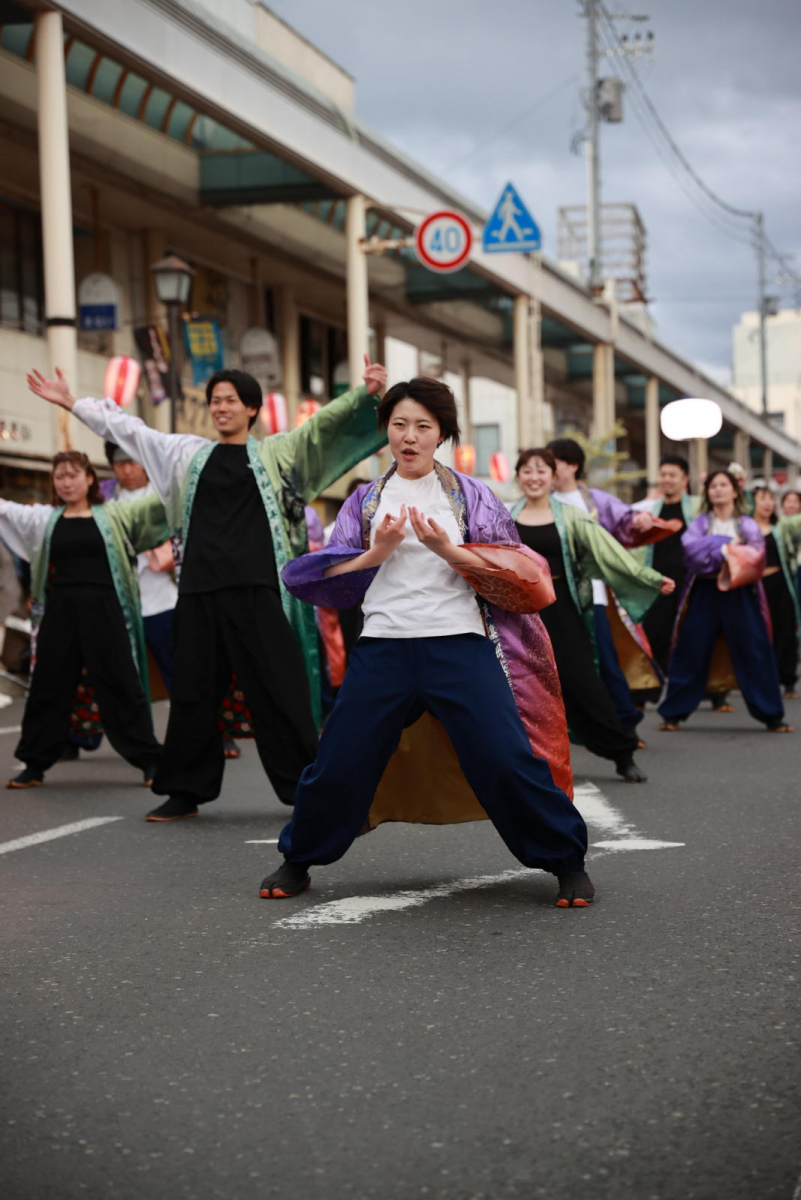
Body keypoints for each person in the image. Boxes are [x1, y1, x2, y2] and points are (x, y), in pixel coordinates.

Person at [260, 377, 594, 909]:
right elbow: (317, 580)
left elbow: (517, 573)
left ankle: (566, 861)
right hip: (383, 647)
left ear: (442, 434)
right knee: (339, 761)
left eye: (422, 426)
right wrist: (377, 552)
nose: (409, 436)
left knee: (507, 759)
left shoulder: (472, 495)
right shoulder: (365, 500)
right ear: (385, 431)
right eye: (398, 425)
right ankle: (298, 858)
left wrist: (450, 550)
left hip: (460, 645)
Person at [27, 357, 388, 821]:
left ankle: (306, 789)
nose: (220, 408)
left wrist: (365, 395)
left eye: (230, 401)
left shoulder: (276, 453)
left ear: (251, 409)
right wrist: (73, 403)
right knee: (194, 692)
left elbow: (323, 427)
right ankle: (184, 790)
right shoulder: (185, 454)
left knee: (282, 691)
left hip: (258, 591)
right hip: (198, 592)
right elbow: (130, 429)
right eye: (214, 401)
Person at [0, 451, 169, 788]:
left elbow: (159, 503)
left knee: (120, 684)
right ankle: (34, 764)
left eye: (73, 475)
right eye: (59, 476)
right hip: (59, 610)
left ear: (90, 479)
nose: (66, 482)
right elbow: (6, 509)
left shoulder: (115, 514)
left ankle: (150, 761)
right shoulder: (44, 518)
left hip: (105, 609)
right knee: (48, 685)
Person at [512, 448, 674, 783]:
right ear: (518, 477)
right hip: (520, 615)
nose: (534, 476)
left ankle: (621, 753)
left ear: (553, 477)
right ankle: (525, 759)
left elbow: (610, 552)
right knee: (520, 689)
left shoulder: (571, 516)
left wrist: (650, 579)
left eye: (541, 470)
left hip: (562, 610)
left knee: (583, 683)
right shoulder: (504, 516)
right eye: (526, 470)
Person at [658, 469, 791, 733]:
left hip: (740, 594)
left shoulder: (748, 524)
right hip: (705, 592)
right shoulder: (699, 523)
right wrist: (729, 546)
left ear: (734, 491)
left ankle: (771, 714)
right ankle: (673, 713)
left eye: (723, 485)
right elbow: (692, 554)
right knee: (691, 649)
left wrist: (715, 548)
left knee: (754, 650)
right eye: (713, 486)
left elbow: (755, 557)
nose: (717, 490)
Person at [547, 437, 659, 736]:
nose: (547, 469)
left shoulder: (595, 500)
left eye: (553, 461)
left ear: (572, 465)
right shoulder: (541, 501)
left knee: (605, 659)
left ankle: (625, 725)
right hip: (552, 596)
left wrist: (641, 520)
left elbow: (626, 519)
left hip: (592, 592)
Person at [630, 455, 698, 705]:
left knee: (689, 638)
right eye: (664, 474)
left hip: (690, 582)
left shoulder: (697, 507)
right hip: (657, 582)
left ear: (684, 479)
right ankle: (646, 691)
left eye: (672, 475)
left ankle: (707, 692)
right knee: (654, 634)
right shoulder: (649, 510)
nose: (667, 479)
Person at [752, 486, 800, 698]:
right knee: (757, 632)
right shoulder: (745, 528)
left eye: (770, 498)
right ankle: (759, 678)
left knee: (785, 631)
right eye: (762, 498)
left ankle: (787, 679)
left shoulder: (782, 527)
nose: (767, 503)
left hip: (780, 583)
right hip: (755, 586)